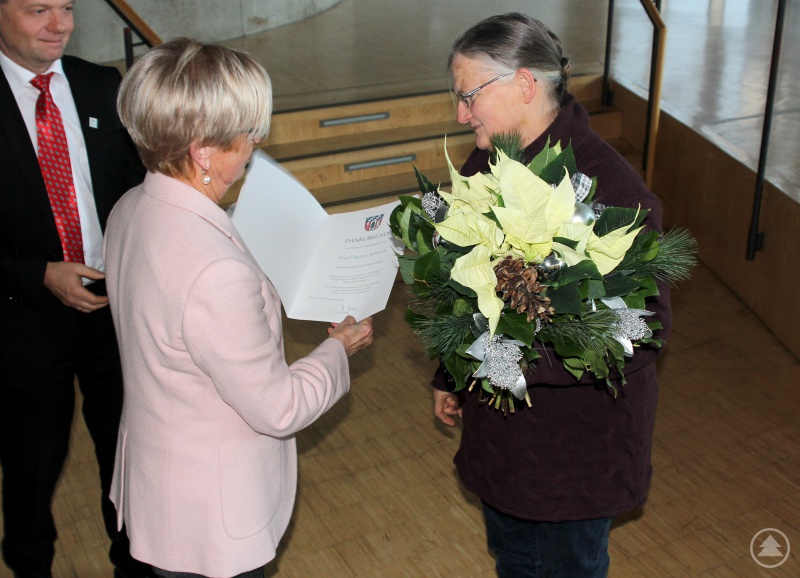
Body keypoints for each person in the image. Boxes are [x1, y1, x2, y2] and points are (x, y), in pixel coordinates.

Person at [104, 38, 374, 578]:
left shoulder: (130, 207)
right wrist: (337, 348)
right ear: (203, 149)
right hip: (212, 513)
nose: (255, 146)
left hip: (161, 482)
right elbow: (278, 407)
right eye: (249, 133)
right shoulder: (215, 273)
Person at [432, 13, 672, 578]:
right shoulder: (485, 164)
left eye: (468, 96)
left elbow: (642, 328)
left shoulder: (611, 191)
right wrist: (452, 374)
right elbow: (463, 287)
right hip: (503, 439)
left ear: (523, 84)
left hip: (573, 453)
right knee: (515, 562)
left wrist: (498, 362)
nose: (460, 113)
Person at [0, 0, 149, 576]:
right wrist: (38, 272)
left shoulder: (100, 84)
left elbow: (139, 186)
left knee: (126, 449)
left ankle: (132, 562)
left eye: (66, 7)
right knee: (33, 462)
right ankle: (30, 563)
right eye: (39, 9)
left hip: (113, 308)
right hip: (23, 320)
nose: (59, 24)